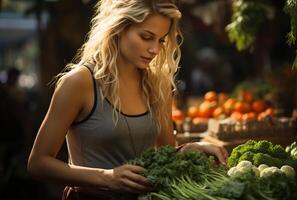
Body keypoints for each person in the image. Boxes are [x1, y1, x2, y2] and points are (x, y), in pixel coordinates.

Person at [27, 0, 228, 199]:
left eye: (161, 40)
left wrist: (189, 149)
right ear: (118, 29)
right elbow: (38, 163)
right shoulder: (79, 82)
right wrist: (107, 177)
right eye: (146, 37)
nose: (155, 49)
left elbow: (164, 156)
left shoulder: (159, 85)